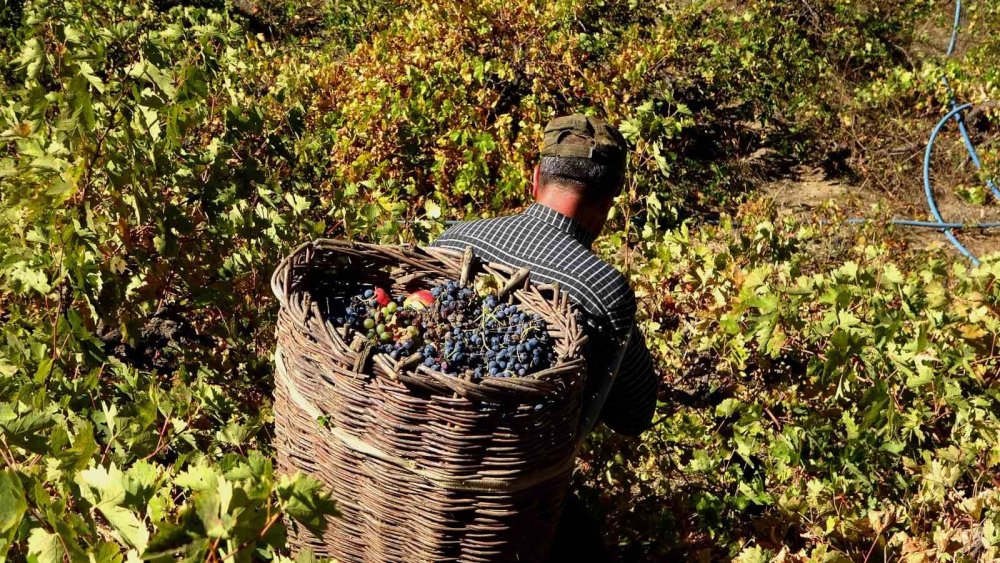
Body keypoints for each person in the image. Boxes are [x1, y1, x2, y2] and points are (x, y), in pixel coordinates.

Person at [430, 113, 658, 560]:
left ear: (536, 178)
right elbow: (634, 415)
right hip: (510, 494)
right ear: (610, 201)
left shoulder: (454, 239)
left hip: (423, 455)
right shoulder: (603, 289)